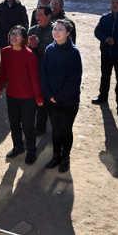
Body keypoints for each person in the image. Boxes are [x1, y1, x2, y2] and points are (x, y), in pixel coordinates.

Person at [0, 26, 43, 165]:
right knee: (14, 124)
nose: (14, 36)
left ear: (24, 38)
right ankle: (18, 147)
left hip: (28, 98)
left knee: (28, 126)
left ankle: (31, 151)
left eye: (17, 34)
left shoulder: (29, 55)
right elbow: (2, 70)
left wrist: (38, 97)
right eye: (12, 34)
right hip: (11, 95)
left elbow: (34, 78)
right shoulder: (5, 52)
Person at [41, 20, 82, 173]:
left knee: (65, 130)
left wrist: (58, 96)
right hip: (51, 99)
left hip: (68, 101)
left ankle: (65, 158)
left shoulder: (74, 53)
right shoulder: (49, 49)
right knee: (56, 129)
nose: (56, 32)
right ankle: (56, 156)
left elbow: (74, 79)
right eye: (55, 29)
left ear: (68, 33)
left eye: (60, 29)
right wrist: (49, 94)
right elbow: (44, 73)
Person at [28, 6, 54, 135]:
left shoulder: (55, 31)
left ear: (49, 16)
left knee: (44, 101)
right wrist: (29, 46)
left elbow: (54, 51)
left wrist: (38, 46)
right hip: (32, 71)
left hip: (48, 72)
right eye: (36, 15)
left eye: (40, 15)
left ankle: (40, 127)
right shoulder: (32, 30)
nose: (37, 18)